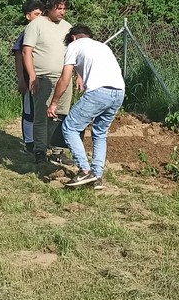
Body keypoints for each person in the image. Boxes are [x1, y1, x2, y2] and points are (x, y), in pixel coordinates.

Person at [47, 25, 125, 190]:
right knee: (100, 133)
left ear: (74, 37)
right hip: (119, 91)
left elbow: (64, 78)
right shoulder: (102, 46)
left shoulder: (73, 45)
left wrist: (54, 103)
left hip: (99, 92)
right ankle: (97, 176)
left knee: (69, 127)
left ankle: (84, 170)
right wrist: (81, 76)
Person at [22, 0, 73, 165]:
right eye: (59, 8)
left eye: (64, 8)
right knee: (42, 116)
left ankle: (58, 151)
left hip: (64, 79)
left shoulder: (68, 27)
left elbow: (75, 54)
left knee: (60, 115)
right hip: (43, 78)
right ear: (49, 8)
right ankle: (40, 151)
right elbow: (26, 51)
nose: (62, 12)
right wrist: (32, 76)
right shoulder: (36, 25)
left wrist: (79, 75)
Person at [11, 0, 43, 154]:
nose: (40, 17)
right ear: (28, 16)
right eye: (36, 14)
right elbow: (19, 56)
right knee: (29, 111)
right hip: (29, 79)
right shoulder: (26, 34)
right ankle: (29, 142)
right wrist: (22, 80)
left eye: (42, 14)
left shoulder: (44, 31)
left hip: (45, 78)